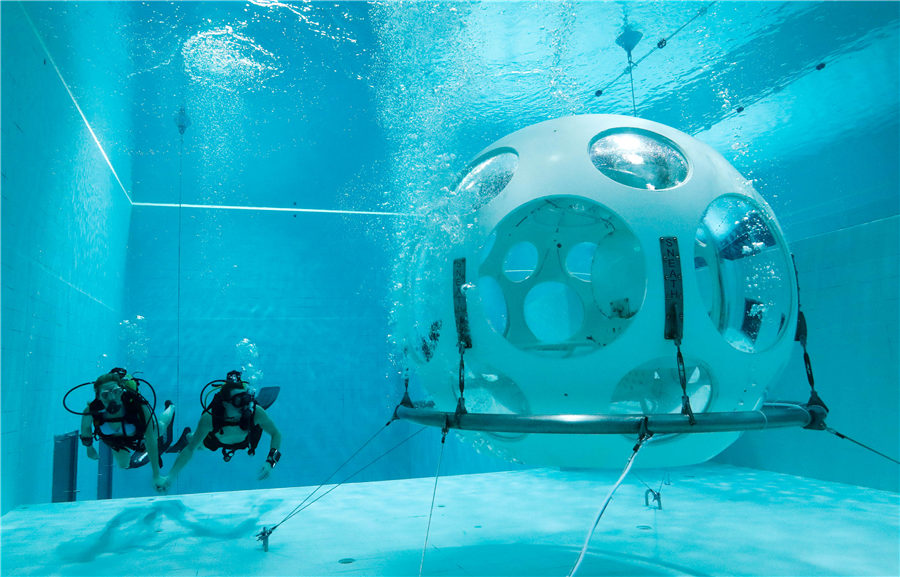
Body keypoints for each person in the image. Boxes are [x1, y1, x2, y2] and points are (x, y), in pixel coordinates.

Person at [156, 370, 281, 492]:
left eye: (246, 399)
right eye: (238, 401)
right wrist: (170, 477)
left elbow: (276, 434)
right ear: (225, 404)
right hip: (215, 440)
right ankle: (187, 436)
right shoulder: (210, 418)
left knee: (197, 443)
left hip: (243, 443)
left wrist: (271, 461)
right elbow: (190, 449)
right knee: (194, 443)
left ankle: (192, 437)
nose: (244, 406)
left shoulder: (256, 413)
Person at [80, 368, 174, 490]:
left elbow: (150, 439)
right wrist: (89, 448)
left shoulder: (137, 405)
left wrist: (156, 474)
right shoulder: (91, 411)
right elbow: (86, 429)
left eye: (116, 391)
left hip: (139, 435)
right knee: (123, 465)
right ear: (98, 396)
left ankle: (171, 408)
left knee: (160, 428)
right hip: (115, 442)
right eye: (105, 394)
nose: (112, 397)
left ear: (122, 390)